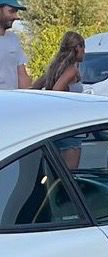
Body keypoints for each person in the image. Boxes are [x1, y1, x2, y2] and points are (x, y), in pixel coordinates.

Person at [33, 31, 85, 167]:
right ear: (77, 48)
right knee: (69, 175)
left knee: (55, 174)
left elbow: (34, 87)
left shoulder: (55, 68)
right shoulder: (71, 70)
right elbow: (56, 91)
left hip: (54, 124)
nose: (85, 51)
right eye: (83, 47)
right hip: (70, 126)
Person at [0, 0, 30, 91]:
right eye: (11, 11)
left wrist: (30, 98)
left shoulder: (13, 39)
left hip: (11, 101)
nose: (16, 17)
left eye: (16, 12)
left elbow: (22, 75)